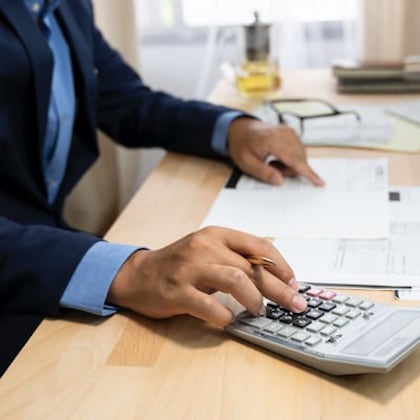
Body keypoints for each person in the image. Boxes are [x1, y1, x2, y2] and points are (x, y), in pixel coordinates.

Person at [0, 0, 324, 374]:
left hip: (39, 248)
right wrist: (133, 271)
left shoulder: (66, 6)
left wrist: (232, 129)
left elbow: (126, 102)